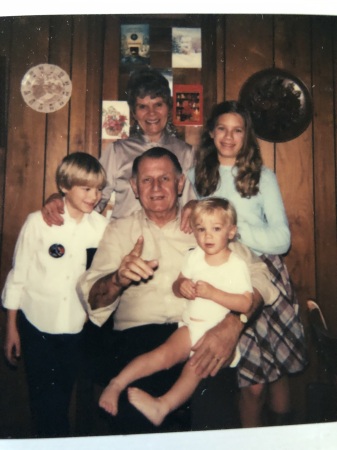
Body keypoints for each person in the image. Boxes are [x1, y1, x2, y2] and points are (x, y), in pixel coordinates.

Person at [76, 147, 280, 435]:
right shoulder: (119, 230)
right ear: (134, 187)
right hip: (140, 339)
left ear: (181, 183)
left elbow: (260, 276)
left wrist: (234, 324)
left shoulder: (203, 225)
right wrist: (118, 279)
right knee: (135, 423)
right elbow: (93, 299)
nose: (156, 188)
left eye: (165, 179)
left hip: (205, 336)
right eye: (146, 180)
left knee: (215, 427)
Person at [187, 100, 308, 427]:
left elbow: (281, 239)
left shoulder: (262, 177)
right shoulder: (195, 175)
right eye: (222, 128)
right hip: (223, 280)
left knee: (277, 372)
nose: (229, 136)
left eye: (237, 130)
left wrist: (233, 230)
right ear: (211, 133)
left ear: (246, 136)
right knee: (253, 383)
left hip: (263, 278)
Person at [98, 197, 253, 426]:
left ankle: (163, 406)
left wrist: (213, 293)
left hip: (214, 337)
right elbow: (177, 284)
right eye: (200, 229)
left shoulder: (236, 264)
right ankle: (117, 383)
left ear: (231, 232)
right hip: (190, 326)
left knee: (193, 369)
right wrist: (182, 287)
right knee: (163, 354)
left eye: (216, 229)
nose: (207, 236)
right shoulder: (193, 256)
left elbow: (245, 304)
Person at [1, 152, 108, 438]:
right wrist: (11, 328)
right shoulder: (37, 222)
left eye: (98, 188)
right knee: (43, 403)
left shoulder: (100, 229)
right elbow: (18, 276)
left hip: (75, 328)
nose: (94, 195)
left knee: (62, 400)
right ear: (64, 186)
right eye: (86, 188)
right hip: (36, 325)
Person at [42, 67, 196, 225]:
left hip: (169, 240)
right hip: (124, 239)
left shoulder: (185, 152)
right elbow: (93, 197)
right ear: (134, 113)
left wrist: (193, 206)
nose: (152, 113)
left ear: (168, 108)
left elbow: (192, 203)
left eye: (158, 105)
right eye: (142, 106)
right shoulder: (118, 151)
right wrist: (59, 200)